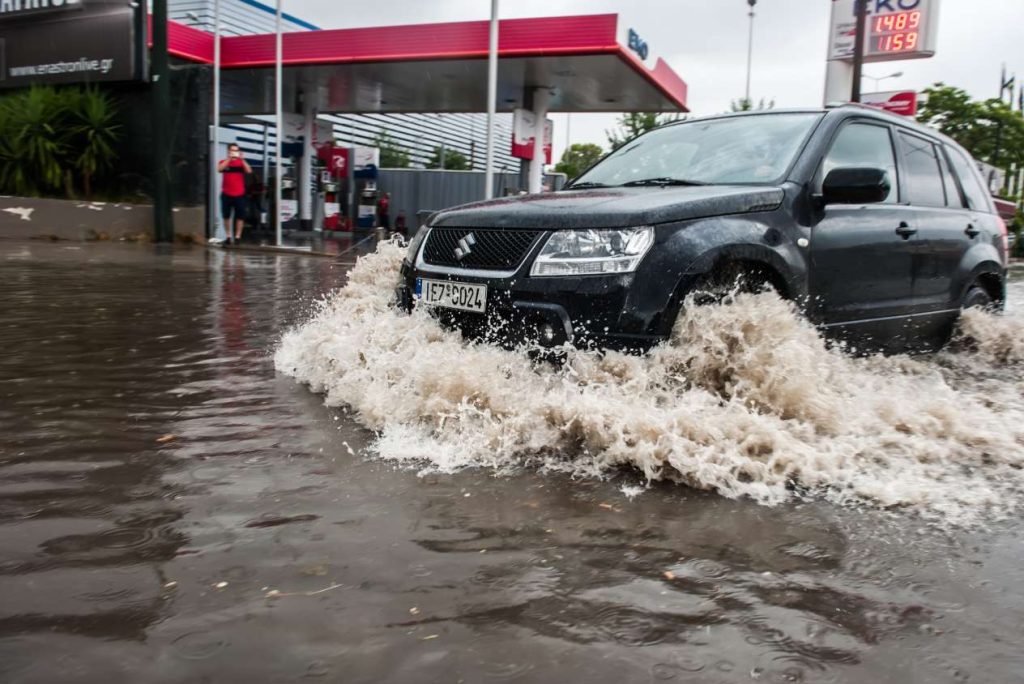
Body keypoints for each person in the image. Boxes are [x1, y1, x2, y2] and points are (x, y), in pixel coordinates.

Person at [213, 143, 252, 244]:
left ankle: (238, 237)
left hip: (239, 194)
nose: (235, 152)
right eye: (233, 150)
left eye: (236, 150)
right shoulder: (224, 162)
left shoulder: (241, 163)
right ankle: (228, 236)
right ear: (228, 151)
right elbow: (219, 169)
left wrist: (242, 159)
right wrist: (229, 159)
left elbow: (249, 171)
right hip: (226, 193)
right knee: (226, 216)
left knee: (240, 216)